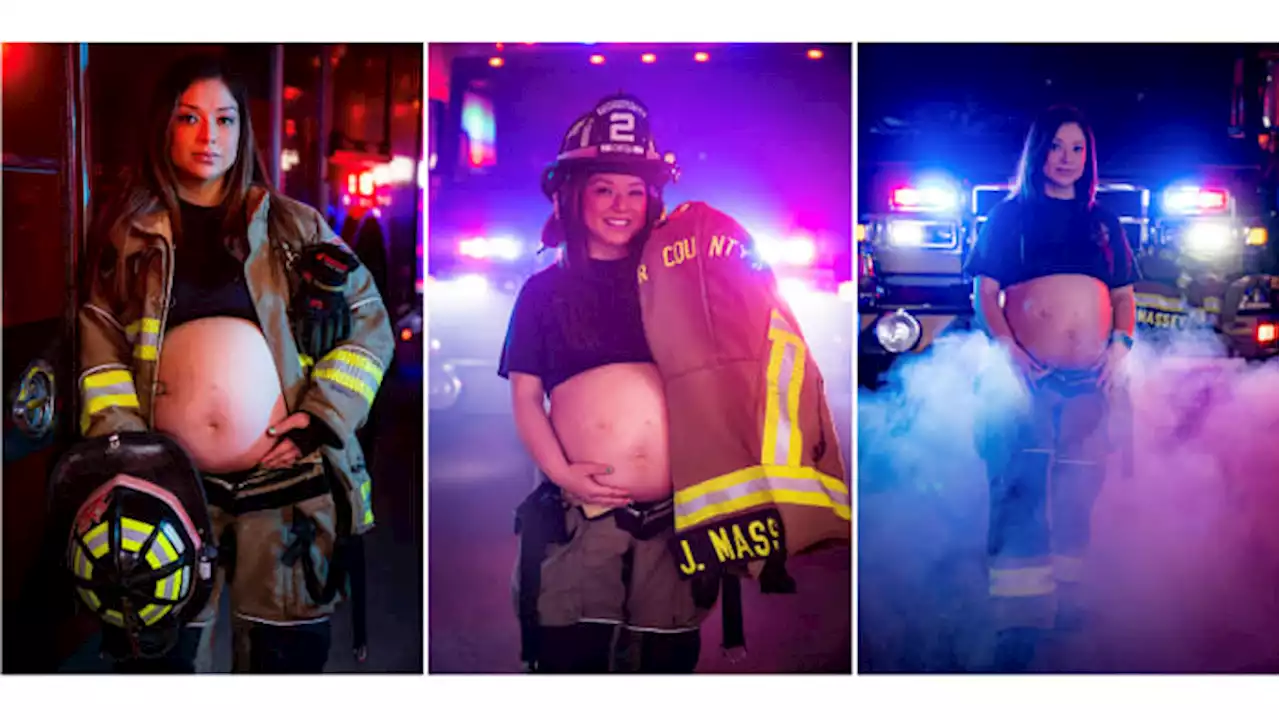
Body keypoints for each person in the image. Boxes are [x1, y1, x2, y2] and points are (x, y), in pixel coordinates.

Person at [75, 54, 393, 673]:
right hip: (167, 492)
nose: (208, 136)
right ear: (164, 129)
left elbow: (369, 325)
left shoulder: (294, 229)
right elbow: (101, 348)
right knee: (157, 668)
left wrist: (323, 419)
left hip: (286, 488)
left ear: (244, 131)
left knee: (281, 669)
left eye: (224, 120)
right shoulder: (127, 235)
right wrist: (130, 454)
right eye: (189, 118)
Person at [500, 94, 705, 673]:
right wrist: (562, 474)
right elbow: (524, 398)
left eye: (636, 191)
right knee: (573, 667)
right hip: (580, 521)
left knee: (665, 667)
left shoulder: (678, 283)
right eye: (605, 189)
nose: (622, 205)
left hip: (675, 520)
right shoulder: (544, 292)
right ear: (572, 196)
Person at [964, 104, 1138, 671]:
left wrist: (1121, 346)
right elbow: (985, 293)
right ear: (1038, 153)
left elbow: (1123, 298)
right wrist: (1007, 347)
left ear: (1088, 159)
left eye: (1077, 149)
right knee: (1020, 488)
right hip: (1027, 375)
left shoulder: (1103, 222)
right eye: (1057, 147)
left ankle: (1069, 608)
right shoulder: (1010, 216)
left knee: (1078, 490)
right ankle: (1018, 622)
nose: (1066, 159)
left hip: (1090, 376)